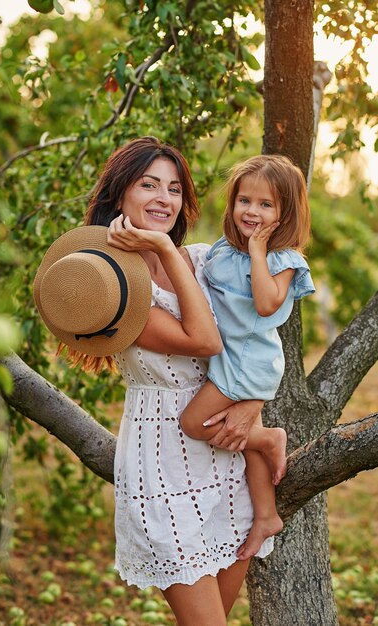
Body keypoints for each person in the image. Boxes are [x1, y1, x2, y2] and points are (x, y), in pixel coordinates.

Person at [79, 137, 276, 626]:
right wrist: (165, 249)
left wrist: (252, 407)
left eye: (172, 188)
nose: (163, 199)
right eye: (148, 185)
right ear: (118, 196)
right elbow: (205, 341)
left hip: (229, 451)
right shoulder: (111, 291)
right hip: (162, 463)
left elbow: (257, 332)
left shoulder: (208, 260)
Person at [179, 154, 315, 560]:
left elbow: (267, 303)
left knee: (194, 422)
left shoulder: (283, 260)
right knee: (247, 447)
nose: (252, 211)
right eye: (244, 201)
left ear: (285, 213)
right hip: (227, 358)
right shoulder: (224, 249)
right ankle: (266, 516)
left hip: (247, 363)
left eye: (266, 204)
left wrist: (258, 250)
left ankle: (271, 438)